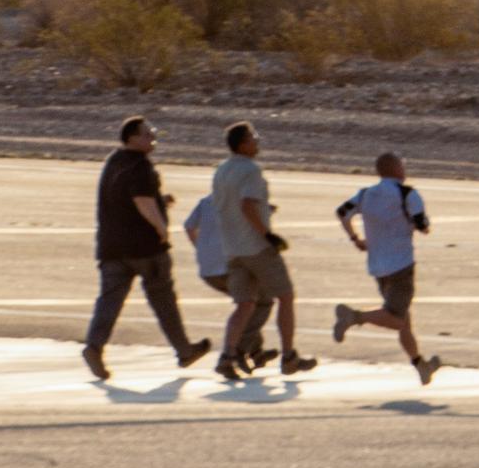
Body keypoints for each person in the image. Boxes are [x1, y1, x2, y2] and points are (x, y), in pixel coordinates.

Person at [85, 116, 212, 384]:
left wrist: (160, 200)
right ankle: (184, 350)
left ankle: (94, 346)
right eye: (146, 134)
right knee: (164, 301)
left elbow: (131, 198)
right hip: (144, 249)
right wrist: (161, 230)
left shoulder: (114, 162)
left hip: (111, 247)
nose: (152, 137)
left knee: (109, 301)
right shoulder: (141, 167)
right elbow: (142, 202)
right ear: (132, 138)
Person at [209, 121, 313, 381]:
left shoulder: (221, 170)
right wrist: (268, 234)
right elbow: (247, 205)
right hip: (256, 247)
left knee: (244, 304)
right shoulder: (251, 170)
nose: (258, 141)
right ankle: (289, 355)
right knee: (286, 296)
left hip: (233, 248)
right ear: (243, 144)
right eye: (253, 137)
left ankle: (227, 355)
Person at [331, 152, 441, 383]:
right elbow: (422, 224)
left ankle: (420, 364)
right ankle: (354, 317)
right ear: (397, 169)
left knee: (403, 319)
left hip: (378, 265)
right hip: (400, 264)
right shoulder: (407, 194)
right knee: (397, 319)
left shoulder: (366, 194)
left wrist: (356, 239)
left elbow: (342, 213)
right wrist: (424, 226)